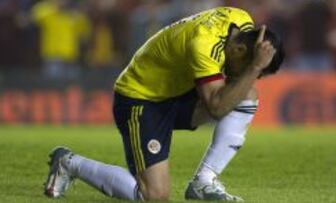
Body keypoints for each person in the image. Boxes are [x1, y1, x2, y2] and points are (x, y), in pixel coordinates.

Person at [43, 7, 284, 201]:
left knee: (246, 92)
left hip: (175, 93)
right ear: (239, 49)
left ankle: (204, 182)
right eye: (257, 70)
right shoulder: (204, 45)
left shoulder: (240, 19)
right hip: (140, 99)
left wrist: (250, 68)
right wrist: (253, 68)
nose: (256, 76)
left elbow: (227, 90)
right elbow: (216, 108)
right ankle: (69, 163)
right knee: (154, 196)